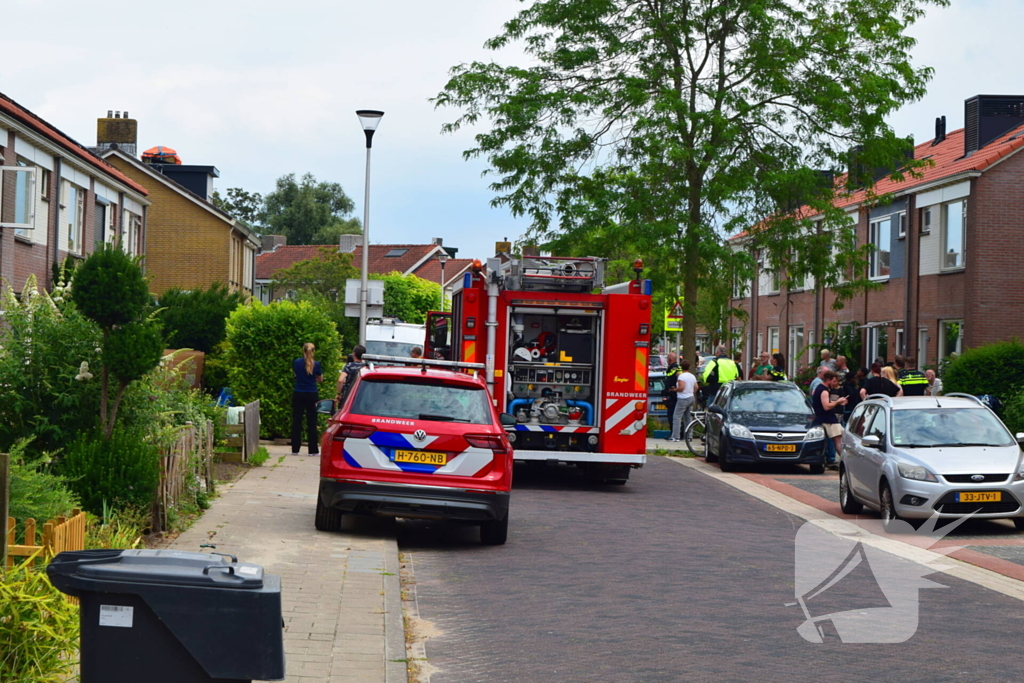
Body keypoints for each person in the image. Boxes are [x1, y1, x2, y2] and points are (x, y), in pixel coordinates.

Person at [291, 343, 323, 456]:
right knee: (312, 421)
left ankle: (295, 449)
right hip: (312, 393)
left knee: (297, 420)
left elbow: (295, 375)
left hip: (299, 392)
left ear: (303, 351)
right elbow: (320, 379)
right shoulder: (317, 364)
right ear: (313, 351)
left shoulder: (296, 362)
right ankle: (313, 450)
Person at [812, 370, 848, 468]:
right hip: (828, 419)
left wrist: (837, 402)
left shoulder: (820, 388)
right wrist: (837, 402)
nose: (835, 384)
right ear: (828, 380)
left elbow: (824, 402)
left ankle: (843, 460)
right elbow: (826, 406)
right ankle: (847, 463)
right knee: (838, 440)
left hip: (827, 418)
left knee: (841, 436)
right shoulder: (824, 390)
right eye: (834, 381)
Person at [668, 360, 697, 442]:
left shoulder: (681, 377)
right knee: (688, 418)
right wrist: (691, 391)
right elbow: (696, 387)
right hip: (691, 397)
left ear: (681, 367)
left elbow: (681, 388)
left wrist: (674, 389)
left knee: (677, 417)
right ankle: (689, 436)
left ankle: (676, 436)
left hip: (683, 398)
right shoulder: (692, 376)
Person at [662, 352, 681, 426]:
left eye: (667, 359)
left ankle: (674, 433)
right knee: (671, 414)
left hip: (673, 395)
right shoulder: (674, 367)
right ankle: (673, 432)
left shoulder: (674, 368)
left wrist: (670, 389)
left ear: (670, 359)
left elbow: (670, 378)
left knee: (671, 415)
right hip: (672, 394)